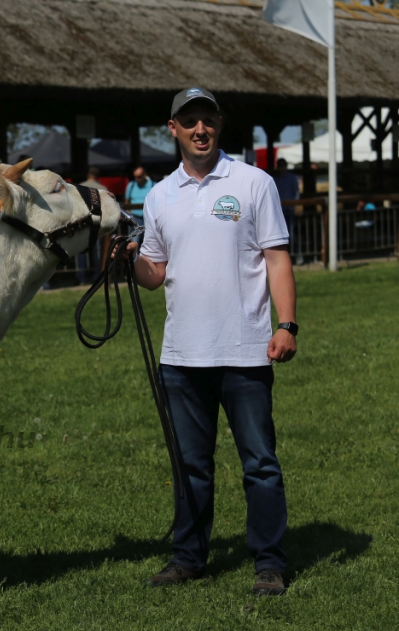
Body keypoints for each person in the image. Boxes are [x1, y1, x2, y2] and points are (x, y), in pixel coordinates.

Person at [125, 87, 297, 597]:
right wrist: (126, 259)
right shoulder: (159, 195)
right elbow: (155, 273)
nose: (200, 129)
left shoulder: (253, 182)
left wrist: (286, 325)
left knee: (260, 463)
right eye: (189, 121)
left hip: (245, 350)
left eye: (208, 120)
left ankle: (269, 563)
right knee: (189, 465)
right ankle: (188, 558)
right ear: (173, 128)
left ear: (219, 126)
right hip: (181, 356)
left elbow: (276, 258)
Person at [77, 166, 107, 285]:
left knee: (80, 251)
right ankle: (98, 276)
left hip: (82, 225)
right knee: (97, 252)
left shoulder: (79, 187)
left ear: (87, 175)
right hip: (97, 225)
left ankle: (81, 277)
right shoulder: (102, 188)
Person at [272, 159, 301, 264]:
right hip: (278, 212)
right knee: (278, 236)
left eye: (283, 166)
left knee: (291, 234)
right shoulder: (274, 179)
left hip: (289, 210)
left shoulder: (292, 178)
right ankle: (283, 258)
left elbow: (296, 193)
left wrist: (293, 204)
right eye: (280, 166)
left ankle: (297, 255)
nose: (282, 168)